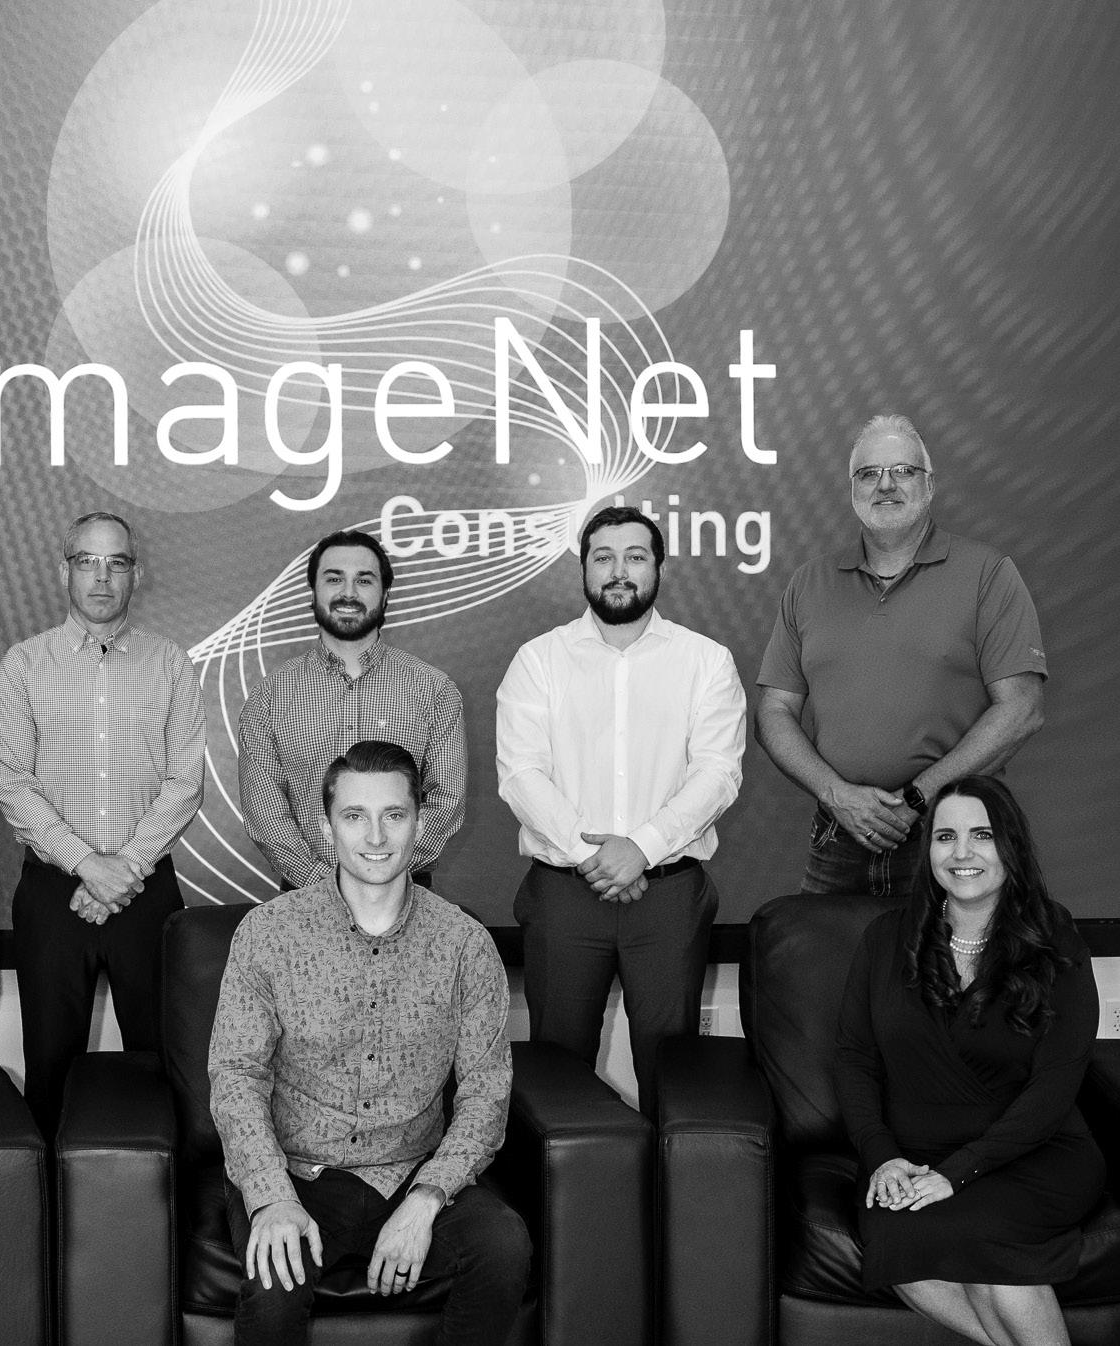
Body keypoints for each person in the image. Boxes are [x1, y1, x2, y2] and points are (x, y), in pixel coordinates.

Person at [209, 740, 530, 1346]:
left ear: (419, 823)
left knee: (502, 1246)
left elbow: (486, 1094)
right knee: (275, 1287)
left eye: (394, 815)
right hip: (298, 1171)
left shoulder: (464, 944)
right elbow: (236, 1076)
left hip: (413, 1171)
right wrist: (271, 1198)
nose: (376, 836)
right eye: (355, 816)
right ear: (327, 825)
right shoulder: (268, 934)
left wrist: (428, 1198)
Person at [834, 775, 1102, 1346]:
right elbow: (854, 1059)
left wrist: (957, 1174)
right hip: (914, 1156)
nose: (962, 853)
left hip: (1032, 1153)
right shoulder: (885, 938)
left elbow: (1057, 1083)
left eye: (982, 835)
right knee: (895, 1233)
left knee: (983, 1239)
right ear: (927, 849)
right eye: (945, 836)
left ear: (1010, 846)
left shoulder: (1054, 936)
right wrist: (883, 1158)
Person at [495, 504, 745, 1112]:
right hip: (563, 897)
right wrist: (598, 858)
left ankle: (670, 1176)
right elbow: (521, 775)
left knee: (673, 1074)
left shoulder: (706, 660)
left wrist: (642, 849)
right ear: (583, 569)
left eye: (635, 557)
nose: (619, 571)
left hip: (668, 896)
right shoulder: (538, 659)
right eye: (603, 558)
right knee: (556, 1075)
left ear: (659, 567)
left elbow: (718, 773)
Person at [757, 414, 1047, 901]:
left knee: (952, 954)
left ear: (930, 485)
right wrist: (836, 795)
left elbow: (1022, 708)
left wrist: (919, 796)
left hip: (953, 831)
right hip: (840, 834)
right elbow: (773, 710)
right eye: (869, 473)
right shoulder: (808, 584)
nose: (886, 484)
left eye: (903, 471)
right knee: (827, 953)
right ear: (852, 489)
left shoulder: (988, 574)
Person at [0, 510, 206, 1135]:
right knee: (50, 1071)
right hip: (54, 892)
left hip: (147, 890)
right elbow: (12, 781)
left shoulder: (170, 663)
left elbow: (185, 782)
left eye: (117, 563)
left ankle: (164, 1189)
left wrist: (124, 868)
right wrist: (87, 865)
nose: (102, 577)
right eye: (88, 562)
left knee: (164, 1067)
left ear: (137, 573)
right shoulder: (24, 664)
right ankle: (53, 1194)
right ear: (66, 572)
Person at [239, 528, 467, 891]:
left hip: (406, 892)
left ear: (385, 593)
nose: (348, 592)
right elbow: (265, 812)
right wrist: (324, 885)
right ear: (313, 591)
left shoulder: (433, 690)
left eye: (364, 580)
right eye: (334, 579)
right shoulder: (270, 696)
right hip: (305, 897)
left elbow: (446, 802)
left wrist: (384, 873)